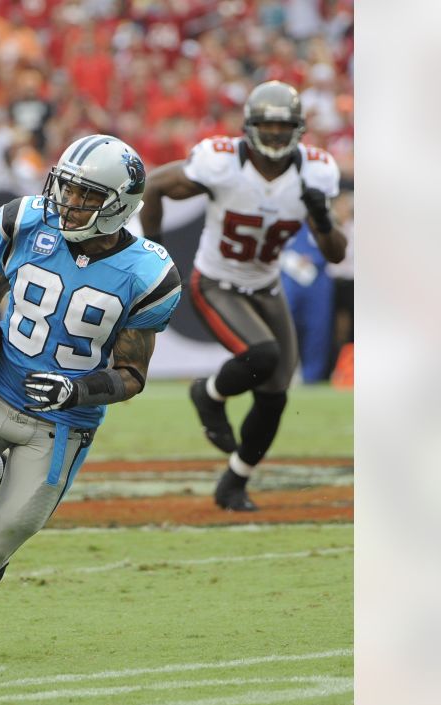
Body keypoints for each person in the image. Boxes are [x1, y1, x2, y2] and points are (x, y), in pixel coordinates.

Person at [0, 135, 181, 658]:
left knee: (0, 543)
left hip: (61, 425)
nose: (67, 202)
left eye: (86, 195)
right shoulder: (26, 222)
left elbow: (132, 374)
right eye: (65, 187)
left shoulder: (148, 274)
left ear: (120, 207)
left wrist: (77, 389)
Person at [139, 81, 348, 512]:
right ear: (250, 127)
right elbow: (155, 185)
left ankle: (234, 481)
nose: (274, 135)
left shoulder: (315, 173)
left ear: (298, 129)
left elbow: (335, 254)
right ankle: (209, 394)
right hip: (216, 281)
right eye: (267, 126)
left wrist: (323, 219)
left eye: (283, 126)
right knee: (265, 354)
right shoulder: (223, 163)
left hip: (266, 285)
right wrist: (154, 251)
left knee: (275, 396)